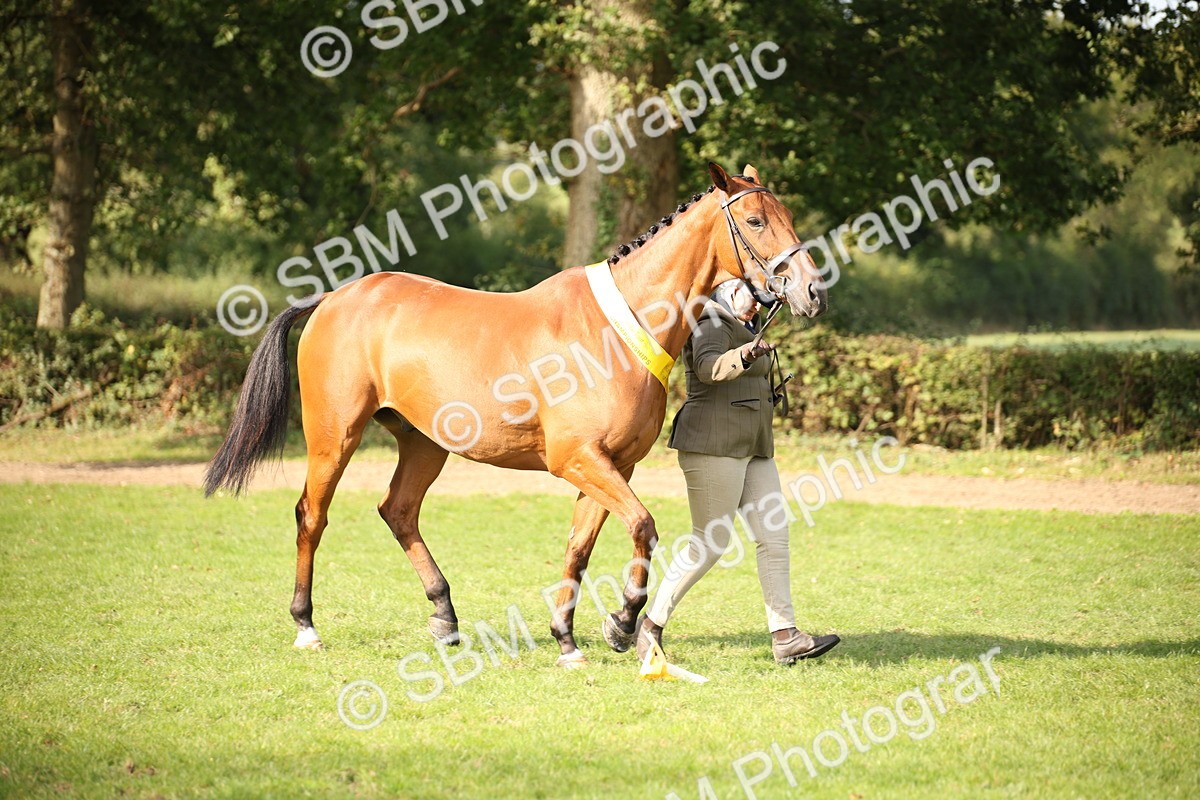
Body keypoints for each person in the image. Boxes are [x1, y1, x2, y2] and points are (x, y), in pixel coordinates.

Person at [636, 279, 841, 665]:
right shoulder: (711, 319)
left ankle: (785, 636)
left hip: (754, 447)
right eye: (753, 290)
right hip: (713, 446)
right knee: (710, 544)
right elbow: (708, 367)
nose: (761, 298)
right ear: (730, 292)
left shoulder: (745, 325)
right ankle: (650, 627)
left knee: (774, 538)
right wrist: (747, 354)